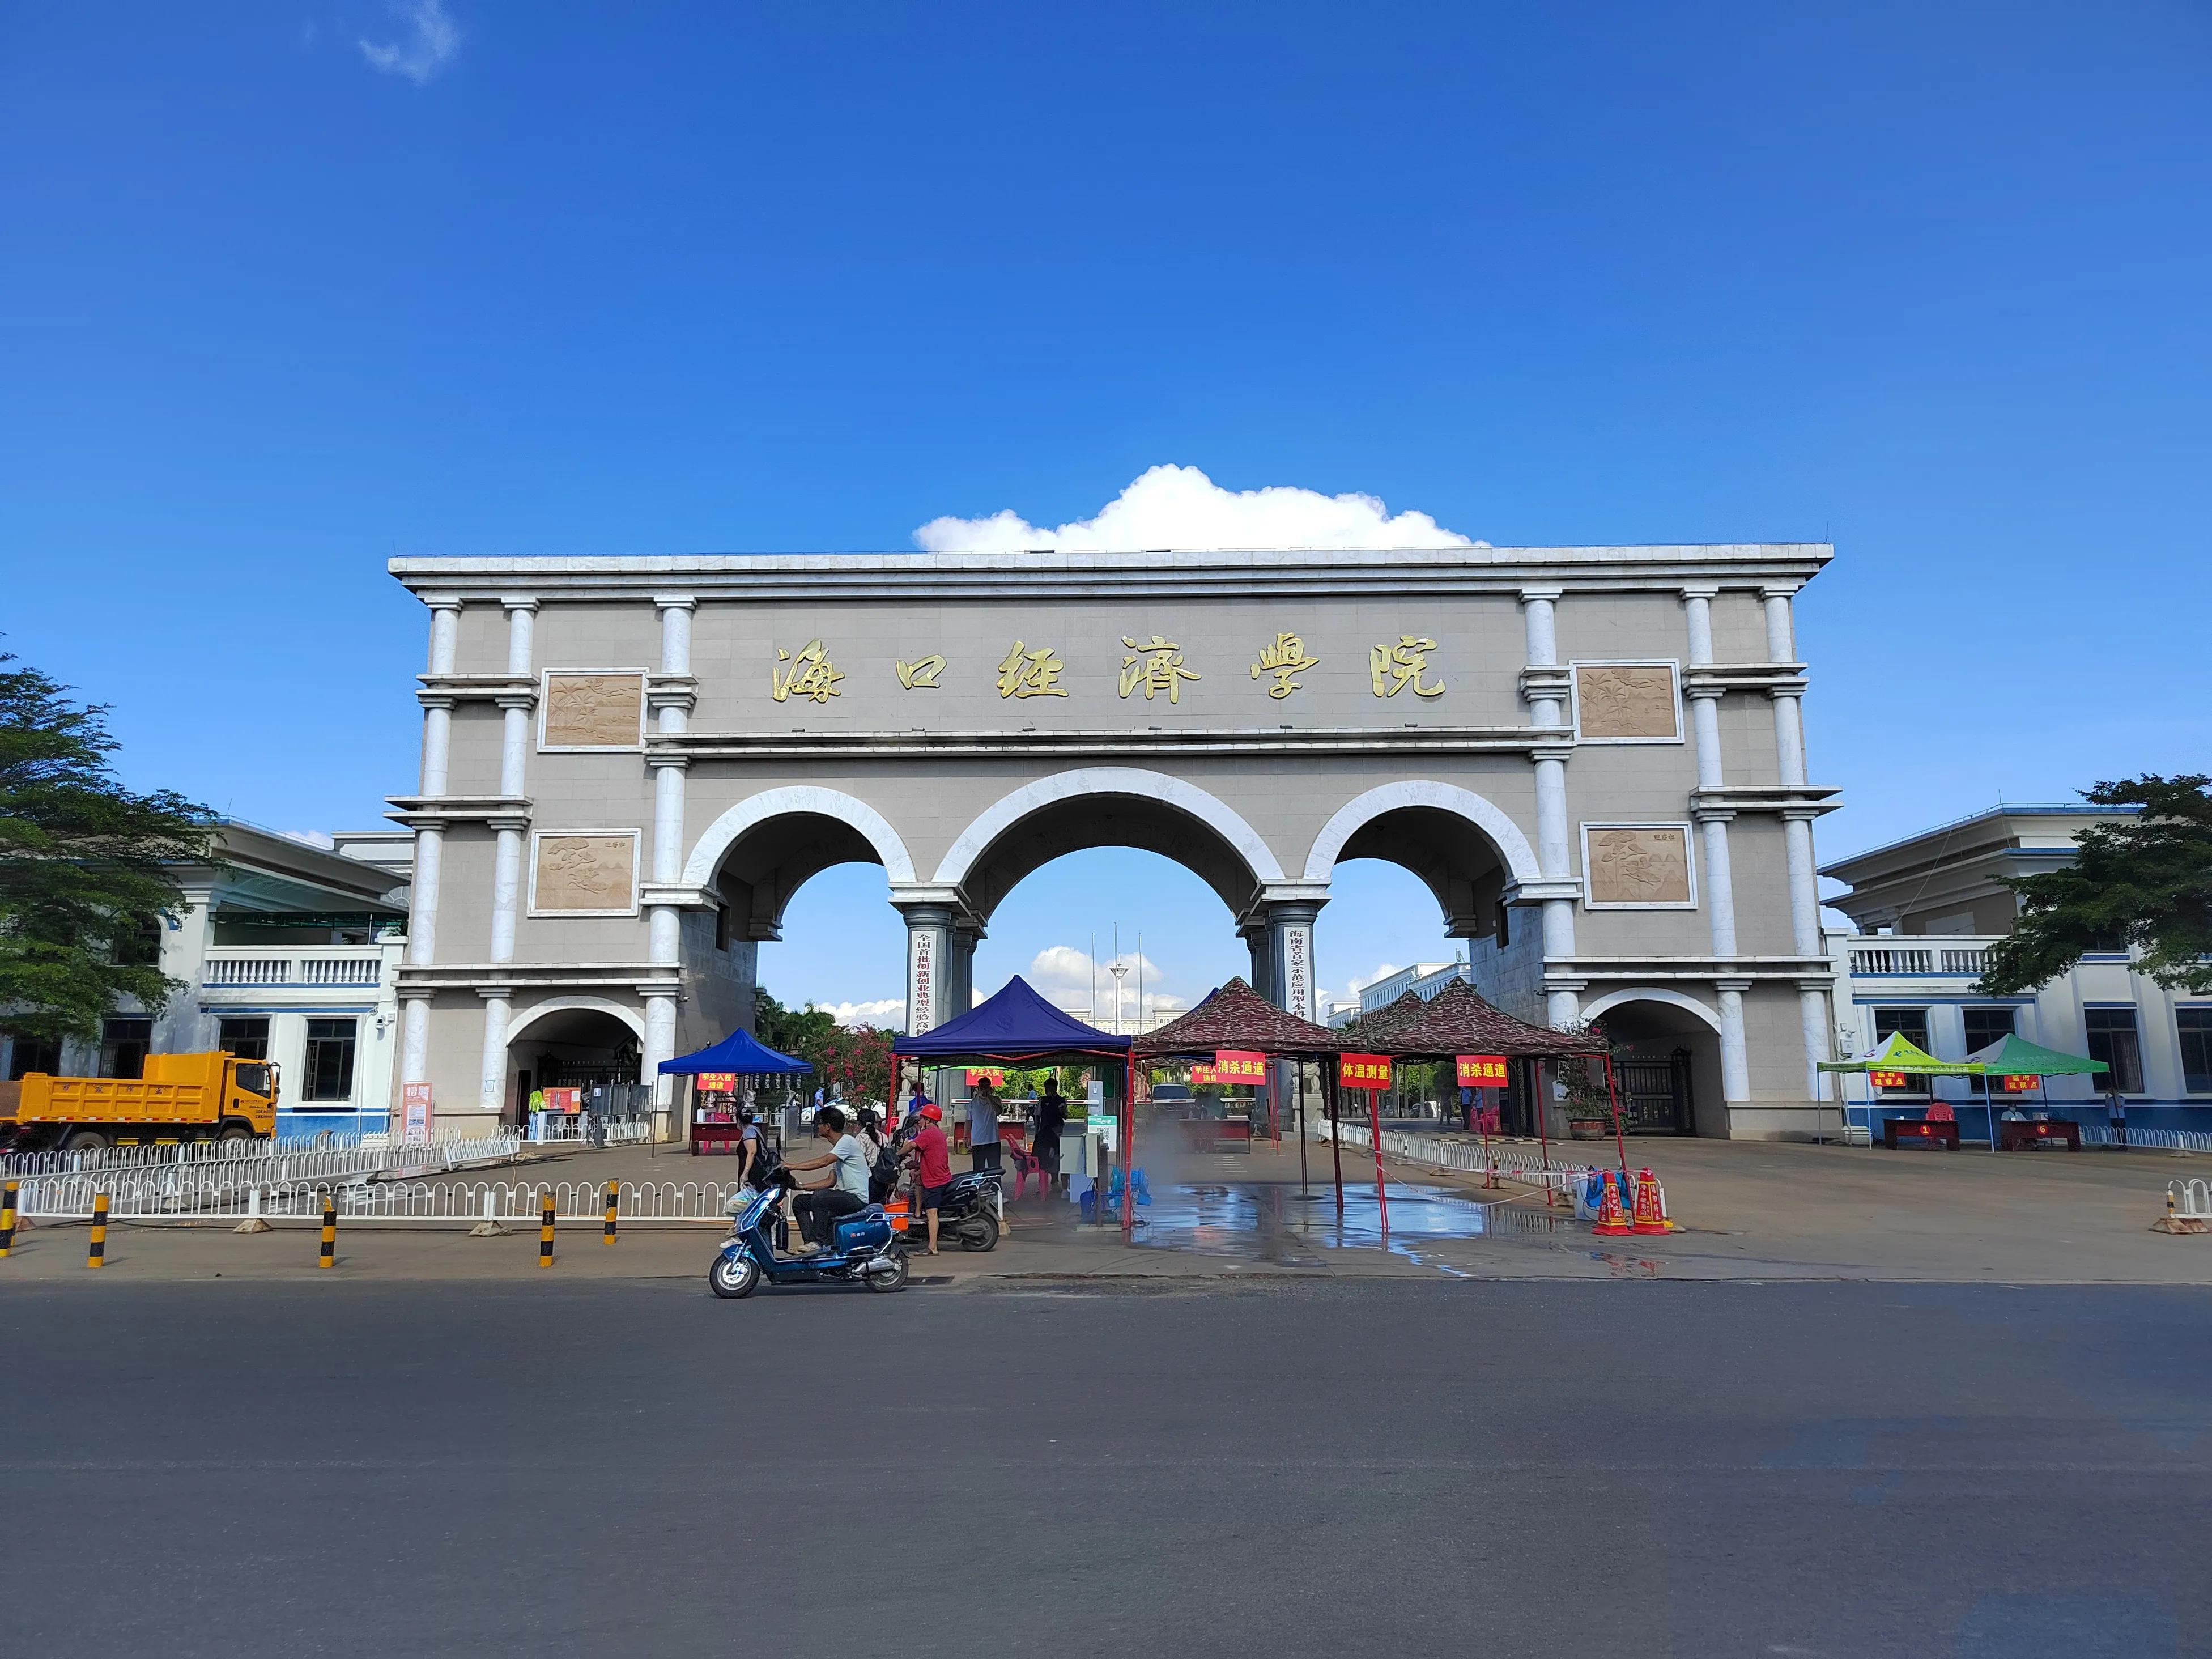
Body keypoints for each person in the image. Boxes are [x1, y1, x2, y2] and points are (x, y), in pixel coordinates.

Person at [780, 1105, 869, 1252]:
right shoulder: (839, 1148)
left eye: (820, 1123)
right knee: (800, 1202)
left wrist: (792, 1166)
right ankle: (810, 1243)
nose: (817, 1126)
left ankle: (819, 1242)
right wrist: (800, 1187)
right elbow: (830, 1181)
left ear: (828, 1127)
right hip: (843, 1197)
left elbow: (823, 1162)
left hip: (856, 1199)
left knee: (821, 1196)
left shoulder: (847, 1141)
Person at [903, 1101, 953, 1255]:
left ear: (929, 1120)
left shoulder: (929, 1133)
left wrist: (897, 1154)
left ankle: (933, 1247)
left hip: (935, 1180)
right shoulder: (936, 1133)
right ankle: (918, 1212)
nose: (919, 1121)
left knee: (932, 1214)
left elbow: (912, 1145)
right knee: (917, 1179)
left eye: (922, 1118)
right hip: (938, 1175)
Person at [1028, 1077, 1067, 1197]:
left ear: (1054, 1088)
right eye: (1046, 1088)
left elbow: (1066, 1116)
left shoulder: (1061, 1100)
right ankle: (1042, 1183)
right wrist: (1037, 1132)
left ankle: (1055, 1181)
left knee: (1056, 1157)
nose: (1047, 1090)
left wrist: (1062, 1111)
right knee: (1042, 1157)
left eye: (1050, 1088)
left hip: (1056, 1133)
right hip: (1044, 1134)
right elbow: (1038, 1116)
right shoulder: (1043, 1100)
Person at [968, 1077, 1003, 1175]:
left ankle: (996, 1188)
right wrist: (966, 1136)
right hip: (978, 1141)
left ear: (990, 1087)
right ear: (978, 1088)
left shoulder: (996, 1100)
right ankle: (979, 1189)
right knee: (978, 1171)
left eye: (986, 1086)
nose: (984, 1089)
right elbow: (968, 1121)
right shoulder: (973, 1103)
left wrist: (989, 1098)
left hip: (993, 1140)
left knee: (995, 1169)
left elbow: (999, 1111)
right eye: (982, 1087)